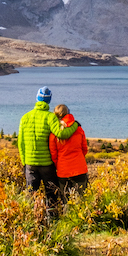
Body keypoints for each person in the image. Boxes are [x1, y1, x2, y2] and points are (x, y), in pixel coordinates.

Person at [18, 87, 79, 217]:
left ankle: (29, 220)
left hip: (30, 164)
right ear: (49, 100)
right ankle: (52, 221)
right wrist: (75, 125)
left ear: (37, 98)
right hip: (47, 165)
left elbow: (21, 144)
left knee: (30, 194)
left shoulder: (25, 117)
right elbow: (61, 134)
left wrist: (24, 162)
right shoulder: (50, 117)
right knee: (51, 194)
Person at [49, 103, 88, 201]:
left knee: (66, 200)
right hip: (80, 168)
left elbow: (53, 155)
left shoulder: (54, 133)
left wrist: (59, 165)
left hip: (63, 170)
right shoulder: (79, 129)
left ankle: (66, 216)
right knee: (82, 199)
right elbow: (84, 149)